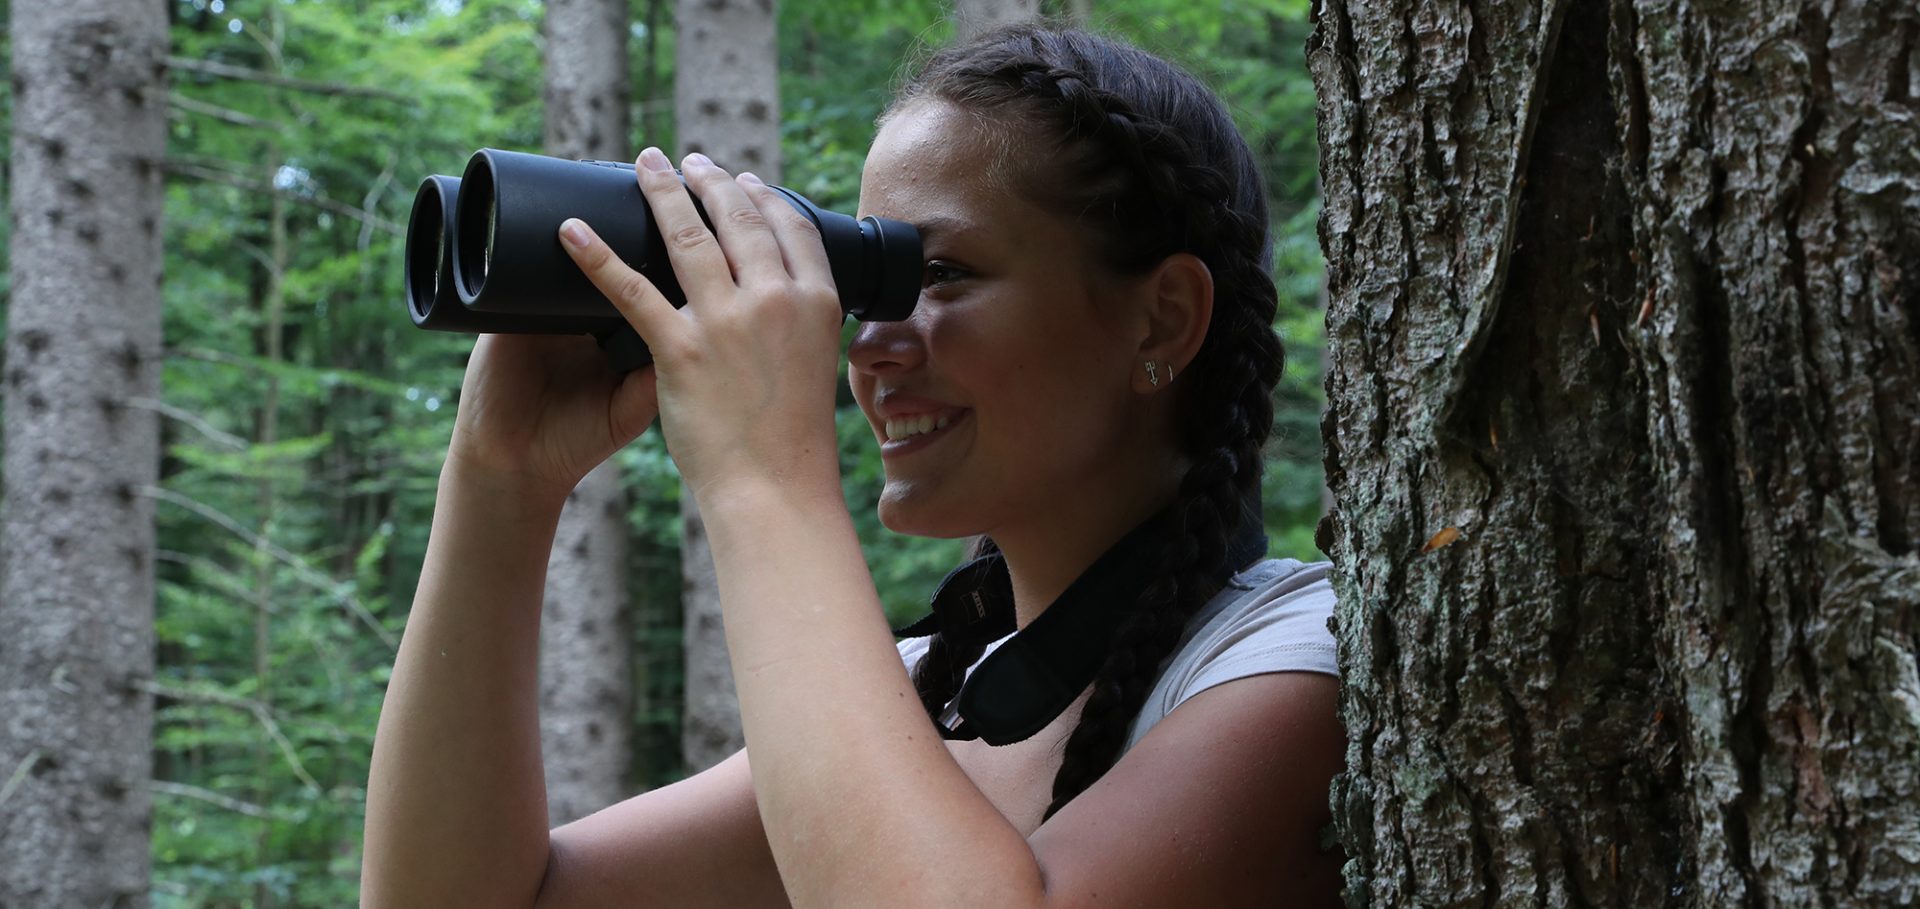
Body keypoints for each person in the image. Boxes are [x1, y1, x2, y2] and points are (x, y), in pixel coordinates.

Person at [363, 24, 1344, 908]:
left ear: (1160, 317)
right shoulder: (929, 694)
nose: (868, 343)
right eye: (869, 279)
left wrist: (763, 475)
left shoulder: (1301, 657)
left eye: (944, 275)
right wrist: (500, 484)